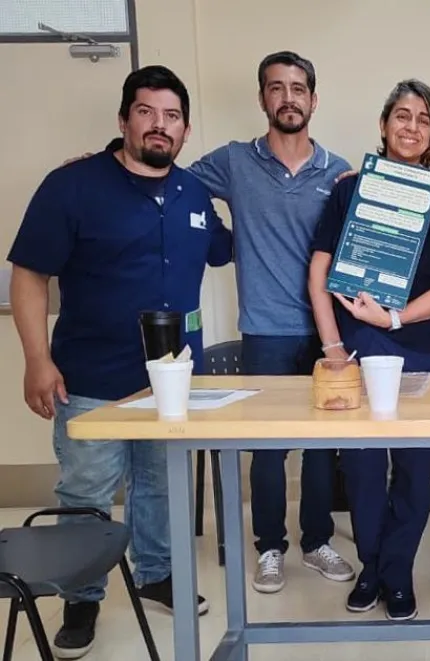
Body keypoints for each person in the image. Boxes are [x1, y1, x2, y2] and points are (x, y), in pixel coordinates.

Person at [76, 52, 357, 593]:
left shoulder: (336, 168)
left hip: (328, 330)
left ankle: (317, 540)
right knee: (268, 447)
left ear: (313, 100)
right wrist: (102, 160)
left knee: (325, 445)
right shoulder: (231, 162)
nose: (288, 97)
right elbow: (162, 172)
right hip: (265, 329)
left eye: (299, 88)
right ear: (263, 99)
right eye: (276, 88)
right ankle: (270, 548)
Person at [6, 65, 230, 659]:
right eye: (147, 112)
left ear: (185, 130)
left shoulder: (194, 195)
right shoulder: (72, 186)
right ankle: (81, 596)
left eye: (172, 116)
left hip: (173, 383)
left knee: (161, 484)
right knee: (86, 490)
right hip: (90, 378)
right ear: (124, 120)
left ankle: (157, 573)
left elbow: (230, 246)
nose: (160, 125)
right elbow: (28, 274)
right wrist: (36, 359)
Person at [308, 79, 430, 621]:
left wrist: (397, 315)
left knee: (414, 468)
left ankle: (396, 573)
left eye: (423, 120)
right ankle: (372, 566)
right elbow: (320, 274)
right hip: (357, 349)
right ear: (384, 125)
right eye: (402, 116)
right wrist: (332, 343)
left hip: (422, 349)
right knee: (359, 471)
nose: (411, 127)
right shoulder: (348, 190)